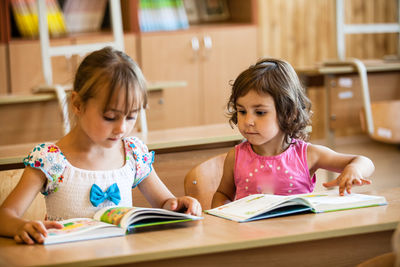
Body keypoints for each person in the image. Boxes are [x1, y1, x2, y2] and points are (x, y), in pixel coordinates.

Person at [0, 46, 201, 244]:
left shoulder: (133, 153)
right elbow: (5, 216)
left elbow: (165, 202)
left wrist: (179, 205)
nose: (121, 128)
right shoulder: (50, 160)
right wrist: (21, 226)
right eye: (110, 117)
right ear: (78, 104)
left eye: (131, 116)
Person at [211, 58, 375, 208]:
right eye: (242, 111)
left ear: (289, 113)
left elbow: (364, 161)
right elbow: (223, 194)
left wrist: (354, 170)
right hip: (250, 237)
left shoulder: (308, 154)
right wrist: (223, 212)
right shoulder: (236, 157)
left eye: (260, 112)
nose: (248, 121)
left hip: (297, 236)